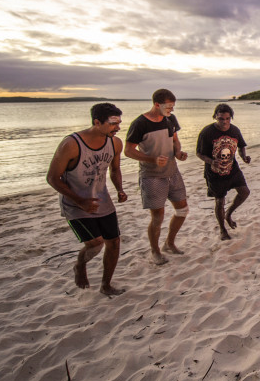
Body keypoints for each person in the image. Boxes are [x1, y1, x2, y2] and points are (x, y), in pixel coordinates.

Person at [46, 102, 128, 296]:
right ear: (97, 122)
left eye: (119, 123)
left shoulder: (115, 143)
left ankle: (106, 285)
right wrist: (79, 200)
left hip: (102, 201)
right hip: (75, 204)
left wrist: (120, 189)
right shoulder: (71, 144)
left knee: (114, 242)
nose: (117, 127)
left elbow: (115, 169)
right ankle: (80, 265)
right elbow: (52, 178)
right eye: (113, 123)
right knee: (95, 244)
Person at [125, 89, 189, 265]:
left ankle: (169, 243)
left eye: (173, 107)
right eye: (168, 107)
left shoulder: (170, 119)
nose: (171, 110)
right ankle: (155, 251)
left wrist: (178, 153)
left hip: (172, 172)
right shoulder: (140, 123)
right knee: (158, 217)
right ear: (156, 104)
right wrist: (152, 159)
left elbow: (175, 140)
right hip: (152, 175)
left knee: (182, 210)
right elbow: (128, 151)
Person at [196, 103, 251, 240]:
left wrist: (244, 156)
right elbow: (199, 153)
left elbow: (241, 146)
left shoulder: (234, 130)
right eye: (221, 119)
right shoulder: (207, 132)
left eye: (227, 119)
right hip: (215, 173)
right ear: (215, 117)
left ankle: (228, 214)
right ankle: (222, 230)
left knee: (244, 192)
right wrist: (211, 161)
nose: (224, 122)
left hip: (232, 169)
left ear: (231, 118)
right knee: (220, 201)